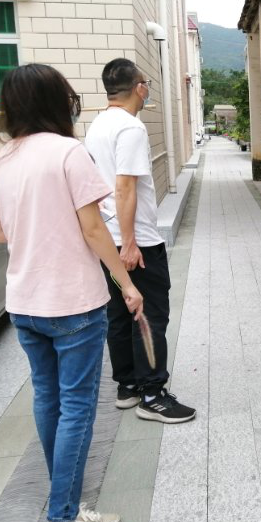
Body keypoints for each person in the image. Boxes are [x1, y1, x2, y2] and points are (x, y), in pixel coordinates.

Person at [0, 63, 143, 522]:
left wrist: (34, 224)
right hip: (72, 302)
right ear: (58, 101)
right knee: (77, 406)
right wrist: (127, 284)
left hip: (24, 303)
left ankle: (62, 496)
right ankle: (64, 517)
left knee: (47, 398)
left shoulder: (4, 158)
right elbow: (94, 229)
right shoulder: (68, 152)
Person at [85, 58, 195, 423]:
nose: (147, 89)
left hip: (107, 238)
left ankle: (128, 386)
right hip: (136, 241)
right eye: (146, 83)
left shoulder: (97, 125)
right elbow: (125, 186)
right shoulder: (130, 127)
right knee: (149, 315)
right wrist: (131, 242)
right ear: (138, 87)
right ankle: (152, 394)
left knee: (119, 315)